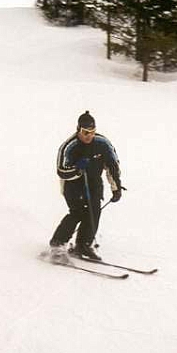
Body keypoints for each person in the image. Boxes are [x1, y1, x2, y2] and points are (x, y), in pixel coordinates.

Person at [50, 111, 123, 260]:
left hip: (94, 183)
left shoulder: (102, 143)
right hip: (73, 185)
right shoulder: (69, 146)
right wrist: (78, 169)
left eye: (92, 132)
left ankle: (83, 245)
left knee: (93, 212)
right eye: (85, 132)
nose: (88, 136)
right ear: (78, 130)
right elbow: (62, 171)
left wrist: (116, 188)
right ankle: (58, 243)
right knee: (77, 212)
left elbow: (113, 166)